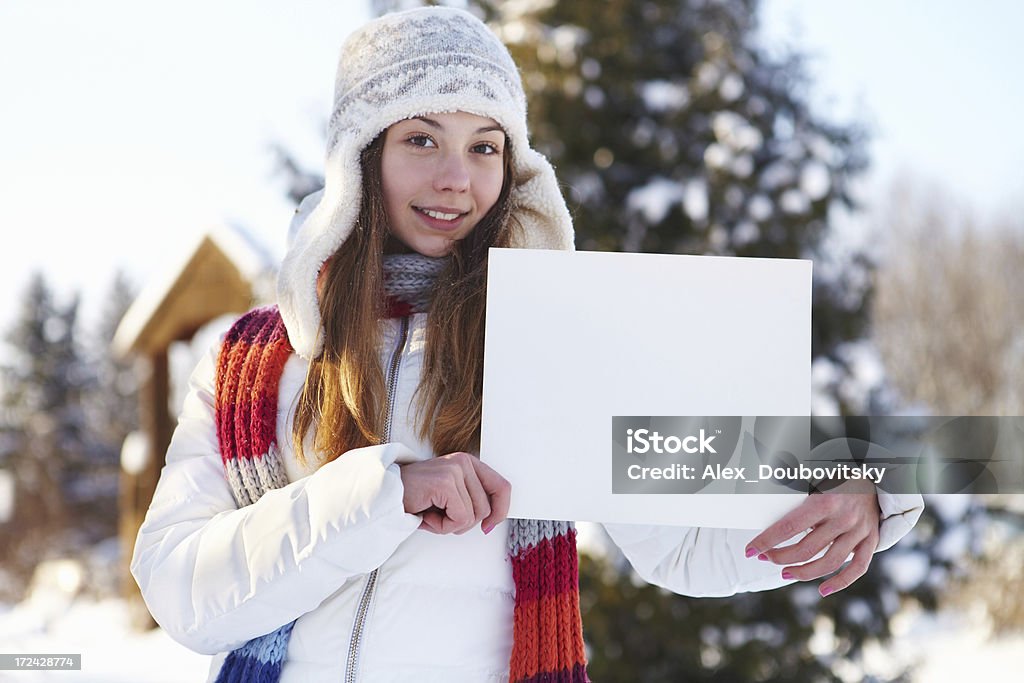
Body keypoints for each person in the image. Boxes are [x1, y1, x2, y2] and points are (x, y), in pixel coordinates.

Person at [130, 7, 924, 683]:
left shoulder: (557, 343)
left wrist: (868, 477)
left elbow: (689, 538)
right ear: (358, 158)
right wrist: (378, 496)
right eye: (421, 139)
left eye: (484, 146)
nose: (456, 178)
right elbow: (179, 588)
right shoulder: (249, 363)